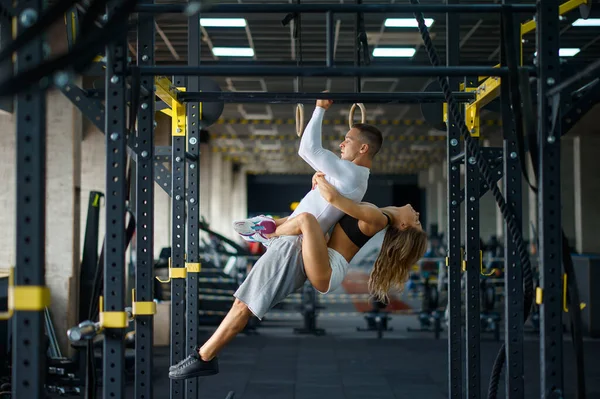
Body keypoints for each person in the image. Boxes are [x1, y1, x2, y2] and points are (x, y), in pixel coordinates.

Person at [168, 96, 384, 380]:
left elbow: (307, 148)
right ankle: (268, 228)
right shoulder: (348, 176)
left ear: (363, 148)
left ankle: (205, 357)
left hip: (293, 247)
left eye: (348, 139)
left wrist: (320, 108)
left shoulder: (351, 173)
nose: (342, 144)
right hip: (292, 241)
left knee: (243, 303)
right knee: (242, 301)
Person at [261, 172, 428, 302]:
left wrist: (320, 178)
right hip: (327, 259)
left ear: (404, 226)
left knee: (306, 220)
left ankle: (269, 234)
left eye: (417, 221)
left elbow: (332, 197)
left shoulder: (377, 218)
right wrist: (319, 181)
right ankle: (271, 224)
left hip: (329, 272)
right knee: (315, 221)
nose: (418, 213)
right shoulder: (378, 214)